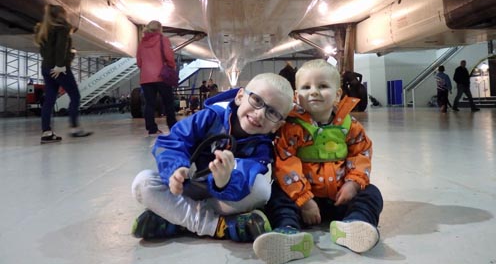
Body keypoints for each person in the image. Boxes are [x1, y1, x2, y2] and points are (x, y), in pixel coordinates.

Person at [131, 73, 294, 243]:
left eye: (273, 113)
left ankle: (174, 218)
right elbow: (172, 141)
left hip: (220, 197)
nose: (260, 113)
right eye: (257, 100)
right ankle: (217, 226)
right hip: (187, 187)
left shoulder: (262, 148)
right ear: (240, 96)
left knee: (261, 191)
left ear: (277, 126)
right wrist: (175, 169)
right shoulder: (210, 117)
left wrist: (224, 182)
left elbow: (247, 177)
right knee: (142, 183)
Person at [253, 59, 383, 264]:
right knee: (277, 196)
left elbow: (361, 153)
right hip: (302, 200)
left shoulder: (351, 126)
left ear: (338, 94)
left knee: (372, 193)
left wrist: (353, 184)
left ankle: (355, 223)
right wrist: (304, 199)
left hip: (340, 197)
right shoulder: (291, 128)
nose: (313, 91)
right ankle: (288, 231)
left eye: (322, 86)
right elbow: (285, 163)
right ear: (297, 95)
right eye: (306, 87)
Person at [34, 4, 93, 144]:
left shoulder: (42, 29)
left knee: (49, 100)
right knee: (75, 96)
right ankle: (75, 128)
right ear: (61, 14)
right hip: (59, 69)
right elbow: (60, 48)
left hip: (46, 67)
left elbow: (43, 52)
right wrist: (60, 66)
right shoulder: (62, 28)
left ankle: (46, 132)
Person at [136, 20, 178, 137]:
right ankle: (172, 126)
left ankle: (152, 128)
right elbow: (169, 56)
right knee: (168, 103)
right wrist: (171, 66)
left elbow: (139, 62)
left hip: (146, 78)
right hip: (162, 76)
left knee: (149, 104)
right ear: (160, 28)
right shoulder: (162, 39)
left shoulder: (142, 43)